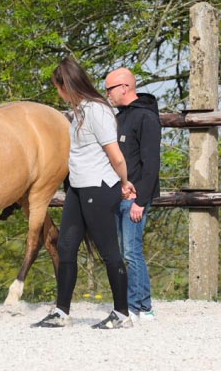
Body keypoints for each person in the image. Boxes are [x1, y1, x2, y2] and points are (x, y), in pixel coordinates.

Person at [32, 57, 137, 330]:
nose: (58, 92)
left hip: (98, 188)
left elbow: (116, 155)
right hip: (78, 189)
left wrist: (124, 182)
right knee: (66, 247)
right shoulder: (80, 111)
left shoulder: (97, 112)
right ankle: (61, 311)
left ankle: (122, 313)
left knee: (109, 252)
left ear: (67, 85)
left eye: (58, 87)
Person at [104, 67, 161, 321]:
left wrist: (141, 200)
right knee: (125, 251)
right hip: (119, 196)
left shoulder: (146, 118)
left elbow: (151, 164)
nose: (108, 95)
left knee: (131, 252)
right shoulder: (120, 118)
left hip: (135, 199)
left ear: (125, 87)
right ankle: (137, 304)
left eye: (110, 89)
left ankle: (139, 307)